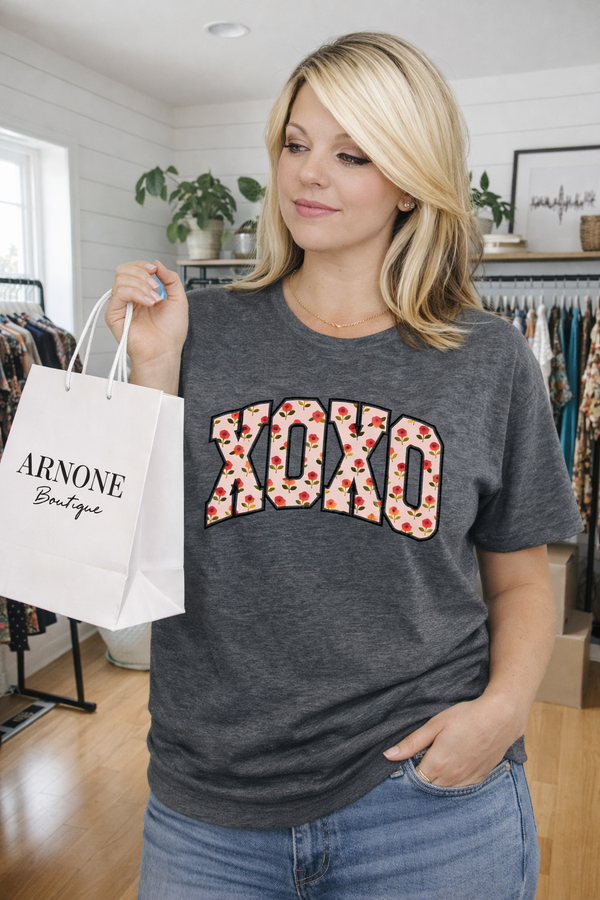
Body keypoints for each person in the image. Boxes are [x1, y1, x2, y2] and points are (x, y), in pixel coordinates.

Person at [107, 32, 582, 900]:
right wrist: (151, 371)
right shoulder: (195, 329)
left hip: (427, 804)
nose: (306, 175)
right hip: (212, 806)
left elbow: (519, 582)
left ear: (409, 180)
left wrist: (504, 713)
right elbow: (127, 554)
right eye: (295, 144)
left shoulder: (487, 358)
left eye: (350, 153)